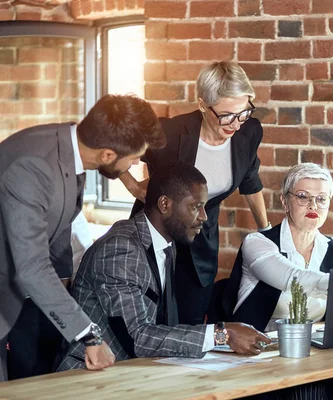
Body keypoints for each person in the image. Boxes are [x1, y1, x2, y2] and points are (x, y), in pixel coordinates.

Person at [0, 94, 165, 381]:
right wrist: (89, 335)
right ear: (108, 155)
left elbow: (59, 229)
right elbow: (32, 267)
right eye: (135, 156)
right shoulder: (33, 167)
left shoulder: (69, 150)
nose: (137, 162)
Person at [56, 162, 270, 371]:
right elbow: (138, 337)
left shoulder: (166, 243)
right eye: (196, 207)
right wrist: (223, 334)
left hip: (133, 373)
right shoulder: (121, 249)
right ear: (165, 204)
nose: (204, 217)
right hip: (87, 376)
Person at [120, 61, 269, 326]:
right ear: (202, 105)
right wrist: (132, 185)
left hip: (201, 242)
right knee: (143, 323)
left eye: (243, 112)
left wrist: (267, 233)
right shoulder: (171, 133)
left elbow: (250, 179)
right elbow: (114, 142)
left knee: (190, 322)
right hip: (152, 238)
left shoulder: (249, 132)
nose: (235, 124)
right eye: (226, 115)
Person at [221, 163, 333, 333]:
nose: (313, 205)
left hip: (314, 348)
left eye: (321, 199)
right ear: (284, 201)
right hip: (257, 349)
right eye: (303, 196)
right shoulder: (257, 242)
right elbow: (293, 278)